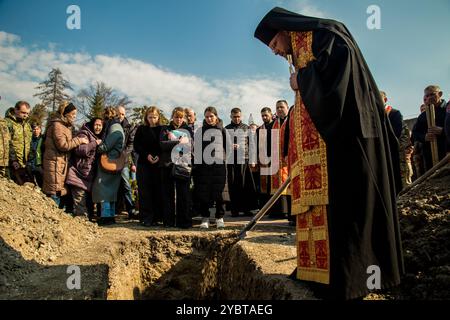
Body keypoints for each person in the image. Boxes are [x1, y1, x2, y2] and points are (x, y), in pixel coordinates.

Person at [254, 7, 404, 300]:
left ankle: (354, 278)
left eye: (273, 44)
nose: (273, 51)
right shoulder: (297, 49)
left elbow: (340, 81)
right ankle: (320, 273)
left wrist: (303, 80)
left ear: (283, 30)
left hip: (349, 137)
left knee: (350, 207)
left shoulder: (326, 34)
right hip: (326, 144)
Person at [42, 102, 89, 205]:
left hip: (59, 164)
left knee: (58, 190)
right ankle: (52, 216)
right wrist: (79, 140)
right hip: (55, 164)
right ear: (66, 113)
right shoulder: (58, 126)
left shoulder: (65, 126)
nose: (74, 117)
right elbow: (63, 145)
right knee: (55, 191)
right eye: (73, 114)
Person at [193, 106, 229, 229]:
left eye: (211, 116)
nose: (209, 119)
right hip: (204, 167)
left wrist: (222, 159)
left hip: (219, 166)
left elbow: (227, 148)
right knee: (204, 192)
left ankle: (219, 217)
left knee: (220, 193)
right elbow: (196, 150)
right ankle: (205, 217)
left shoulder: (222, 130)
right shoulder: (200, 131)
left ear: (216, 116)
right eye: (207, 117)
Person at [160, 107, 193, 228]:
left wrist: (174, 141)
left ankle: (184, 222)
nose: (178, 119)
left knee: (183, 194)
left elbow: (190, 146)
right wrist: (179, 142)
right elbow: (162, 145)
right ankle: (168, 222)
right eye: (176, 117)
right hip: (167, 164)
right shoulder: (165, 129)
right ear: (172, 117)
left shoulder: (188, 129)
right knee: (167, 194)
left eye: (181, 117)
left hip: (182, 165)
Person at [92, 107, 125, 225]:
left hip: (108, 162)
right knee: (111, 191)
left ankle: (106, 217)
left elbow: (106, 146)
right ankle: (110, 216)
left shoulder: (114, 128)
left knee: (104, 190)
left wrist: (97, 145)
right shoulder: (116, 126)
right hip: (114, 162)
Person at [66, 118, 103, 218]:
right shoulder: (84, 134)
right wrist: (95, 143)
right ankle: (81, 225)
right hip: (77, 174)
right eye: (96, 125)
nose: (98, 127)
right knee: (80, 203)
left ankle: (87, 224)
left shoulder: (96, 137)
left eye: (100, 125)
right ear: (92, 125)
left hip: (87, 176)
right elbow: (80, 150)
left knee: (87, 203)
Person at [134, 107, 163, 226]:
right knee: (144, 191)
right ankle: (146, 217)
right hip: (144, 164)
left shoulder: (162, 129)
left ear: (158, 117)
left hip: (158, 164)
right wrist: (147, 155)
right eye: (150, 117)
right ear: (146, 117)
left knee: (157, 190)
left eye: (154, 117)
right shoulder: (141, 129)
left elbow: (164, 145)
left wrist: (159, 156)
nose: (152, 120)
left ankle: (157, 217)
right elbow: (137, 145)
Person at [225, 108, 256, 217]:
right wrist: (230, 146)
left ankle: (246, 209)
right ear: (230, 116)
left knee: (245, 184)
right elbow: (223, 145)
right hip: (231, 160)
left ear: (241, 116)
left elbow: (252, 144)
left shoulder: (246, 128)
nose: (237, 119)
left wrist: (253, 160)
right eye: (234, 117)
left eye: (238, 116)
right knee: (233, 185)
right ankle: (235, 210)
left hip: (244, 159)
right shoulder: (226, 129)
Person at [381, 91, 413, 188]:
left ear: (385, 99)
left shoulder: (394, 114)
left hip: (399, 156)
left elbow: (398, 134)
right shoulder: (376, 115)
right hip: (385, 156)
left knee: (403, 184)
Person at [412, 85, 447, 172]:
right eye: (427, 96)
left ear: (440, 94)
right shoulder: (423, 116)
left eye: (432, 94)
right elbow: (414, 134)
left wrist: (443, 131)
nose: (429, 97)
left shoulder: (448, 110)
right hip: (430, 159)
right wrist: (424, 137)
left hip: (447, 155)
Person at [116, 106, 137, 219]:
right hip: (110, 160)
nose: (120, 116)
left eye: (122, 114)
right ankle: (114, 210)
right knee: (112, 185)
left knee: (126, 185)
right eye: (118, 114)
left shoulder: (129, 127)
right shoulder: (110, 125)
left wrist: (124, 155)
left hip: (123, 160)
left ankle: (131, 209)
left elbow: (131, 144)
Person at [5, 101, 33, 185]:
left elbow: (29, 142)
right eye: (23, 112)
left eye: (27, 113)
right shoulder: (8, 123)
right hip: (11, 163)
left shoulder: (27, 125)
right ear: (16, 110)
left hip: (24, 163)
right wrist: (13, 160)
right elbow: (7, 142)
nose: (25, 115)